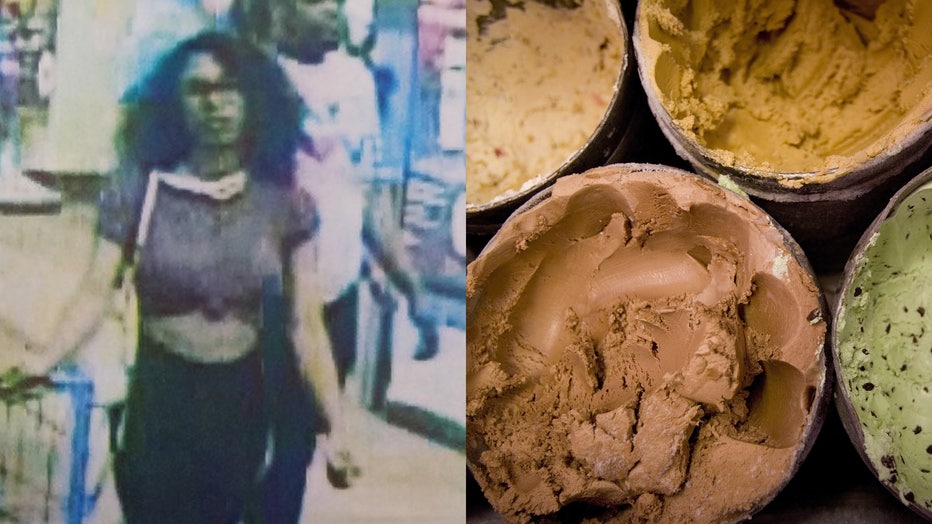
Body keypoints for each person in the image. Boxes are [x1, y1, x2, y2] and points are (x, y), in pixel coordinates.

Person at [31, 31, 355, 523]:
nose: (216, 104)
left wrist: (336, 424)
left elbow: (304, 324)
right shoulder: (141, 190)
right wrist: (44, 357)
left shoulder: (283, 203)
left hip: (240, 401)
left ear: (254, 98)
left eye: (230, 88)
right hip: (158, 400)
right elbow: (94, 291)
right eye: (198, 91)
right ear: (174, 104)